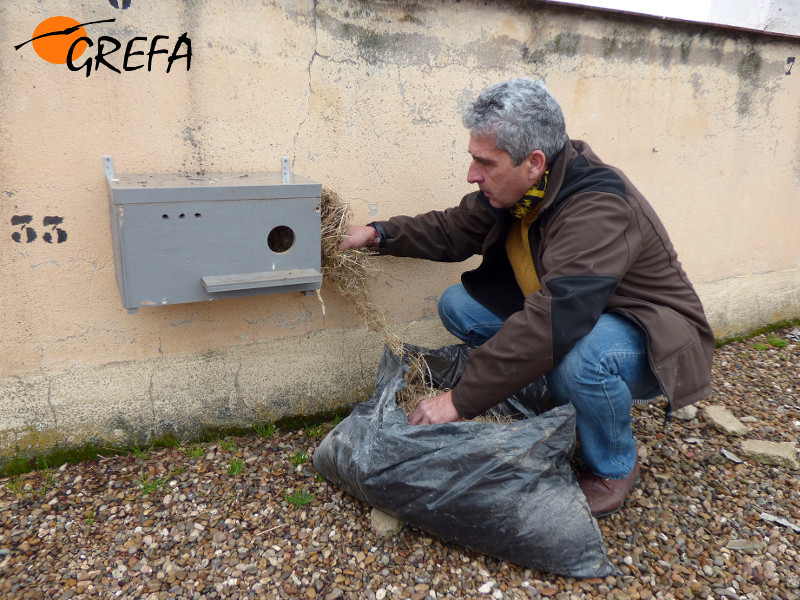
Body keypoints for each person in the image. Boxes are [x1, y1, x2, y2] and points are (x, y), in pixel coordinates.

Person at [339, 78, 714, 517]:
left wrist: (460, 400)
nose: (471, 174)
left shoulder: (598, 207)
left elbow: (556, 318)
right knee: (458, 306)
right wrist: (376, 234)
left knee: (583, 359)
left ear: (533, 162)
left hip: (649, 337)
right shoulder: (522, 189)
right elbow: (452, 229)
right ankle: (548, 387)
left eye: (484, 162)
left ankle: (613, 467)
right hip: (580, 318)